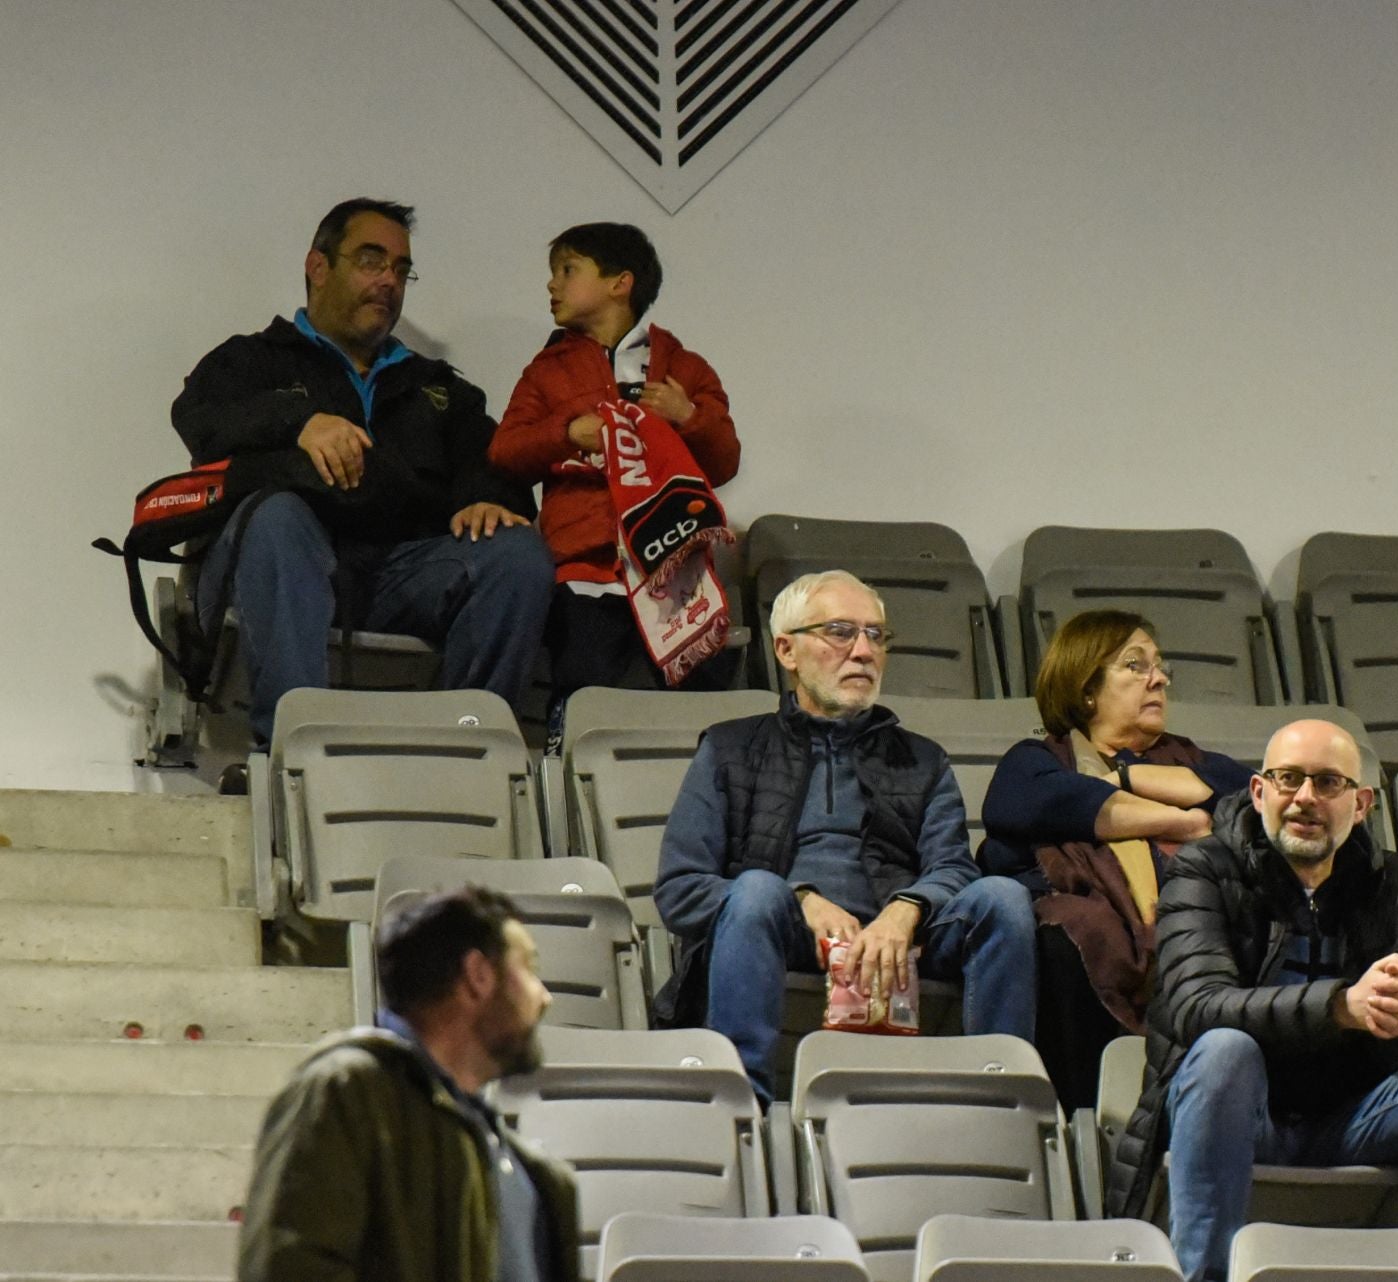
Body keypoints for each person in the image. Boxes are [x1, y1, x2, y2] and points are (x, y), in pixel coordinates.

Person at [1105, 718, 1398, 1282]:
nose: (1304, 798)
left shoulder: (1397, 882)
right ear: (1258, 790)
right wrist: (1344, 1006)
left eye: (1327, 783)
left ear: (1361, 802)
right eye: (1288, 778)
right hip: (1236, 1113)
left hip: (1354, 1117)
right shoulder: (1203, 869)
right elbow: (1197, 1006)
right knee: (1225, 1050)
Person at [172, 198, 551, 761]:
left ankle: (467, 753)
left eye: (401, 270)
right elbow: (200, 421)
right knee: (280, 517)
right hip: (264, 568)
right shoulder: (251, 360)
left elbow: (494, 465)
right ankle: (294, 757)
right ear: (318, 267)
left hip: (389, 578)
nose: (389, 281)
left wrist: (485, 500)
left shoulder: (437, 389)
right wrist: (299, 421)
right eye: (372, 262)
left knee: (517, 555)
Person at [652, 569, 1036, 1102]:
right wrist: (800, 899)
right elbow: (681, 888)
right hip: (778, 933)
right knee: (758, 890)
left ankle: (1002, 1094)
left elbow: (953, 867)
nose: (863, 651)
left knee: (1004, 898)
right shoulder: (729, 749)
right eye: (840, 632)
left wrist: (906, 910)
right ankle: (742, 1104)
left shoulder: (922, 759)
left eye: (876, 636)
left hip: (899, 938)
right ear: (787, 651)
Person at [979, 610, 1248, 1108]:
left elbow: (1248, 795)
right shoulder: (1038, 763)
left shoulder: (1194, 759)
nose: (1159, 678)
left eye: (1160, 667)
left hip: (1194, 943)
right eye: (1135, 666)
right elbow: (1044, 801)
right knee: (1073, 930)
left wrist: (1123, 778)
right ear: (1086, 690)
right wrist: (1184, 821)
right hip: (1100, 950)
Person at [238, 886, 577, 1280]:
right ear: (478, 975)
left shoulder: (534, 1173)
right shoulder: (348, 1093)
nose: (545, 997)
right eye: (529, 969)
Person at [488, 221, 740, 751]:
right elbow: (505, 452)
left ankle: (696, 801)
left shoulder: (685, 369)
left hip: (673, 565)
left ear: (619, 283)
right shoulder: (546, 372)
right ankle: (570, 782)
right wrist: (566, 434)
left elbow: (725, 460)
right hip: (585, 566)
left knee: (703, 700)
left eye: (567, 270)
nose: (551, 286)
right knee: (584, 686)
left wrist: (688, 416)